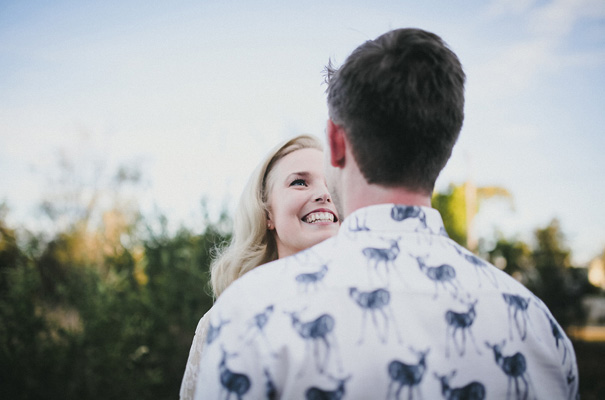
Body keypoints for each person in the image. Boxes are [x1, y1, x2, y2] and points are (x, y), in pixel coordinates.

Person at [193, 28, 579, 399]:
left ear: (336, 142)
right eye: (299, 182)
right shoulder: (537, 325)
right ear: (444, 146)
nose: (320, 194)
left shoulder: (251, 313)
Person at [180, 134, 340, 399]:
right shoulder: (228, 318)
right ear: (267, 213)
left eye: (332, 184)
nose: (324, 194)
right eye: (299, 182)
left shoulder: (377, 300)